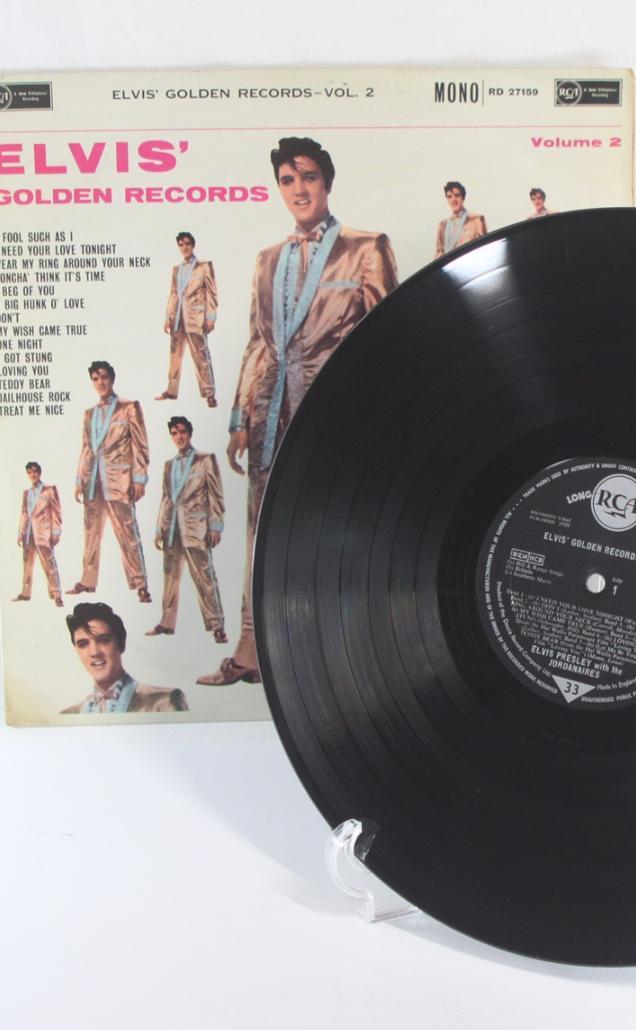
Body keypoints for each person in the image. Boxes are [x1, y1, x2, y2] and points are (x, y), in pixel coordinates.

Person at [199, 136, 399, 687]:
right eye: (288, 180)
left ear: (326, 182)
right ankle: (250, 653)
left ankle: (342, 658)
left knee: (340, 529)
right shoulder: (267, 259)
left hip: (336, 413)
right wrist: (240, 418)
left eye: (308, 177)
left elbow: (389, 337)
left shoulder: (366, 247)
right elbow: (258, 342)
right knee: (262, 530)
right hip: (270, 415)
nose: (299, 189)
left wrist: (378, 419)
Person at [68, 361, 152, 603]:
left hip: (119, 479)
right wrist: (79, 479)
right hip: (93, 480)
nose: (100, 382)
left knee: (127, 532)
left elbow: (140, 445)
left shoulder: (129, 407)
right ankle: (88, 581)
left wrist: (139, 478)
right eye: (95, 378)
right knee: (91, 533)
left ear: (112, 379)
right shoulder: (89, 414)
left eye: (104, 377)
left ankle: (140, 583)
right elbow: (86, 448)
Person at [148, 416, 226, 642]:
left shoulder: (205, 460)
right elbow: (166, 498)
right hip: (172, 528)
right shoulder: (169, 465)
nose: (179, 436)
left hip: (196, 528)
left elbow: (216, 495)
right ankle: (166, 623)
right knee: (169, 578)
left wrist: (215, 526)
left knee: (204, 577)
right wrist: (159, 529)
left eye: (182, 432)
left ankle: (217, 625)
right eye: (174, 433)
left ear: (189, 433)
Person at [61, 602, 188, 714]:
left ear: (121, 644)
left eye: (104, 640)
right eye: (83, 644)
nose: (94, 652)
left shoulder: (165, 701)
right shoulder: (69, 715)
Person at [157, 231, 219, 407]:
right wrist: (168, 317)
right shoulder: (176, 269)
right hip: (177, 318)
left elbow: (212, 292)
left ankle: (209, 393)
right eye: (181, 244)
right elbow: (173, 294)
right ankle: (171, 390)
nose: (184, 247)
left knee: (201, 356)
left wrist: (211, 317)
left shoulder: (204, 266)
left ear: (193, 245)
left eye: (187, 244)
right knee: (174, 355)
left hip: (195, 318)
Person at [12, 460, 63, 607]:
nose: (32, 475)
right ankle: (25, 593)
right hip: (28, 533)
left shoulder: (49, 490)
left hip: (43, 533)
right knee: (27, 564)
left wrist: (56, 532)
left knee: (49, 564)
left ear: (39, 472)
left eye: (34, 471)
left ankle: (57, 594)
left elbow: (57, 512)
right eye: (29, 472)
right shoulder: (26, 493)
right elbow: (24, 513)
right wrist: (20, 532)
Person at [435, 181, 487, 257]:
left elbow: (483, 249)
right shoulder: (442, 225)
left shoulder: (476, 220)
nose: (453, 200)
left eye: (457, 195)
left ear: (463, 197)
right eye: (449, 196)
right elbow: (439, 253)